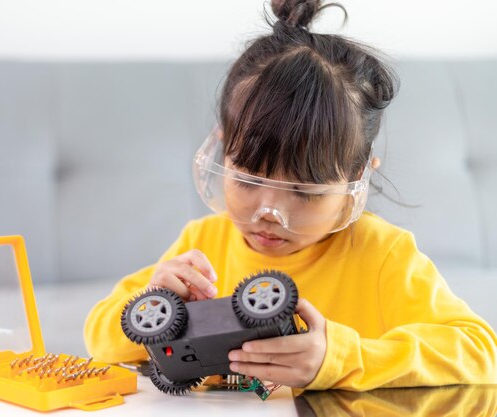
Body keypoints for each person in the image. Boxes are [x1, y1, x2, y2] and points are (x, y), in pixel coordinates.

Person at [84, 0, 497, 390]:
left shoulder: (381, 255)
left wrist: (340, 358)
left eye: (303, 192)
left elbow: (481, 353)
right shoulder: (203, 243)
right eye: (247, 180)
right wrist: (150, 306)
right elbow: (97, 336)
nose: (269, 212)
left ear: (357, 176)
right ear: (222, 152)